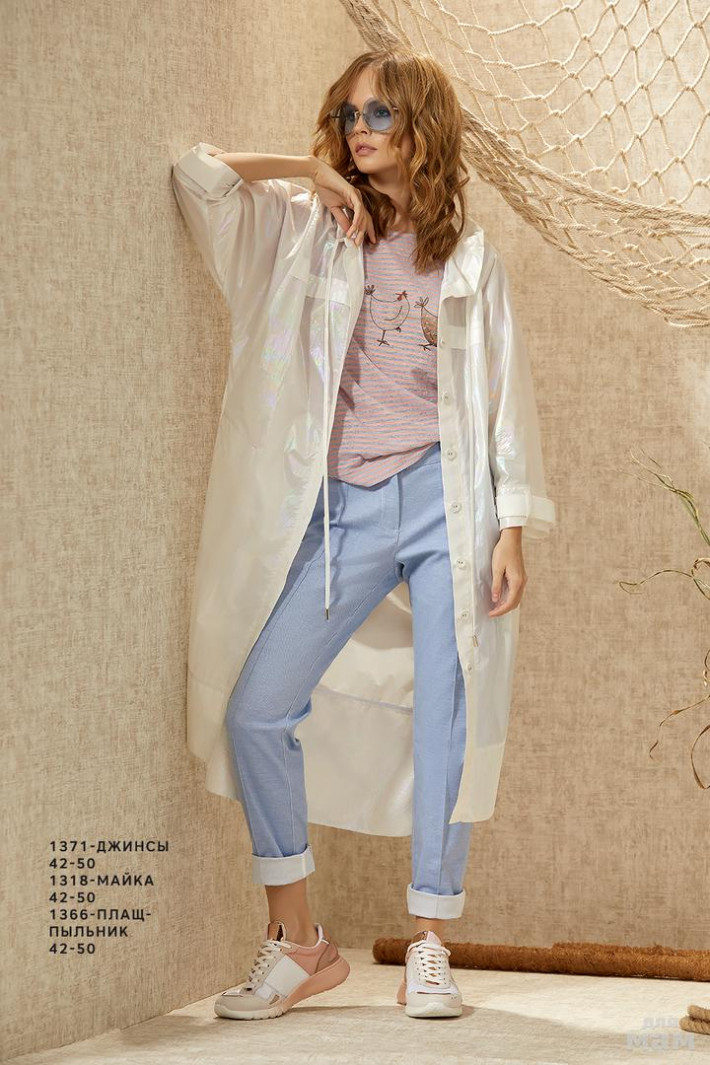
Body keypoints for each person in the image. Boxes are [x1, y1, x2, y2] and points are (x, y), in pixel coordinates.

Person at [171, 47, 555, 1021]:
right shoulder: (312, 229)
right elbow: (198, 175)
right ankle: (299, 942)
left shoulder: (469, 260)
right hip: (340, 509)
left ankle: (429, 944)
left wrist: (512, 527)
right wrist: (307, 172)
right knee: (258, 710)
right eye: (348, 115)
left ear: (422, 126)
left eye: (379, 114)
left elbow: (504, 398)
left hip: (443, 502)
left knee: (445, 715)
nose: (358, 130)